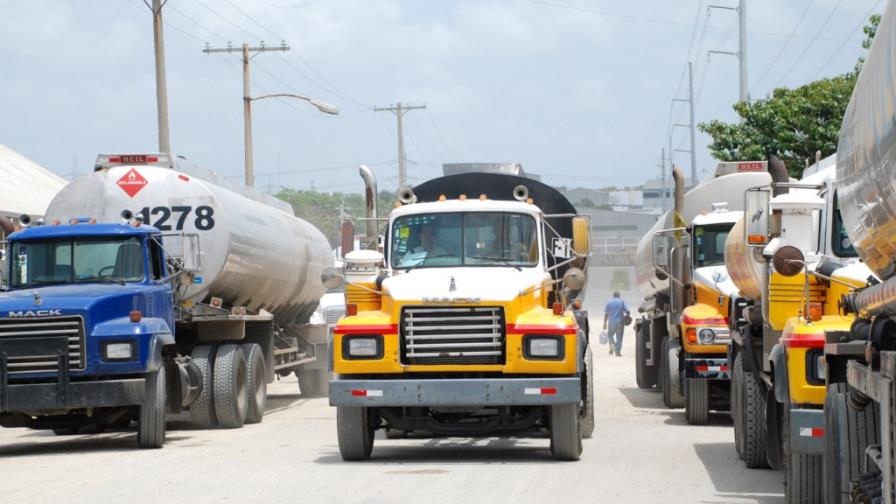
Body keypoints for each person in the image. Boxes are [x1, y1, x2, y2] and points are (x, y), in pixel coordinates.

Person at [603, 291, 629, 356]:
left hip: (611, 322)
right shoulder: (622, 301)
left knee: (610, 334)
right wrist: (627, 317)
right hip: (620, 322)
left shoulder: (609, 302)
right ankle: (618, 351)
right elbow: (627, 311)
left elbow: (606, 314)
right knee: (619, 337)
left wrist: (604, 323)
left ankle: (612, 344)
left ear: (613, 296)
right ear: (619, 296)